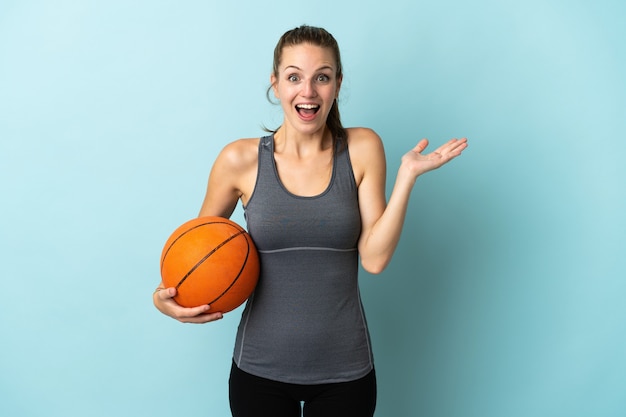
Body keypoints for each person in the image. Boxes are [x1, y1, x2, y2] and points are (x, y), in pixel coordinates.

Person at [153, 25, 467, 417]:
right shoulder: (239, 160)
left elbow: (374, 259)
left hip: (345, 373)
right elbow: (197, 258)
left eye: (322, 77)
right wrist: (164, 300)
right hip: (258, 371)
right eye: (294, 77)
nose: (308, 91)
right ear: (275, 84)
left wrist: (406, 178)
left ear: (337, 83)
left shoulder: (363, 148)